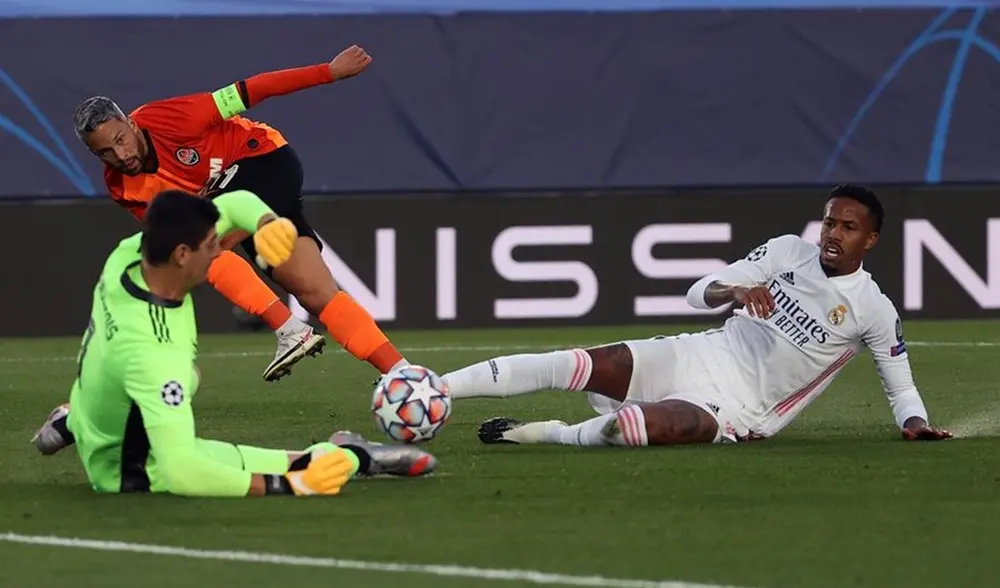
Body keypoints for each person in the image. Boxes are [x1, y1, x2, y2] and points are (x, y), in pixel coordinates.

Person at [443, 185, 953, 447]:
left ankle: (543, 432)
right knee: (574, 362)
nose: (833, 234)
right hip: (697, 353)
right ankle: (434, 388)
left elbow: (900, 386)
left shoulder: (873, 308)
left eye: (848, 227)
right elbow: (697, 293)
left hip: (738, 408)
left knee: (629, 430)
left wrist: (915, 424)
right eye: (829, 222)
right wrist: (736, 289)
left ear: (870, 239)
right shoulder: (785, 252)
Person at [33, 189, 434, 496]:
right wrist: (289, 486)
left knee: (180, 377)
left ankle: (73, 420)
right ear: (182, 254)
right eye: (212, 246)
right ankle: (352, 457)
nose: (219, 253)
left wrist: (266, 222)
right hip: (128, 472)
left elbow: (236, 201)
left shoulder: (127, 257)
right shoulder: (155, 355)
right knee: (198, 397)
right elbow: (182, 470)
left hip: (99, 409)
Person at [71, 44, 409, 382]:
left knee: (200, 244)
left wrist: (328, 72)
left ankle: (290, 330)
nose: (120, 155)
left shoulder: (173, 117)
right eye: (105, 152)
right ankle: (403, 374)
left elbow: (255, 87)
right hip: (236, 205)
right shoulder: (122, 187)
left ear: (131, 123)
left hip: (264, 161)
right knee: (315, 292)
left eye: (120, 139)